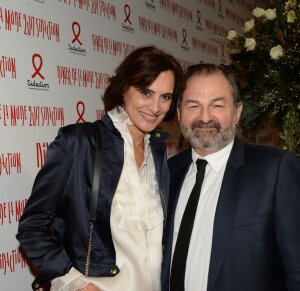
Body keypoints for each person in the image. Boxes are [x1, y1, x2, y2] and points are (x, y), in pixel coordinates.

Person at [16, 45, 183, 291]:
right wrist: (76, 284)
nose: (155, 107)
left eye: (165, 97)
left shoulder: (157, 151)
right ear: (124, 89)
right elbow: (31, 229)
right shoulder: (79, 143)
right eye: (146, 92)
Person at [161, 63, 300, 291]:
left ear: (237, 112)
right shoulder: (168, 171)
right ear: (178, 113)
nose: (205, 118)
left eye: (217, 105)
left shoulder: (276, 170)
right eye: (194, 106)